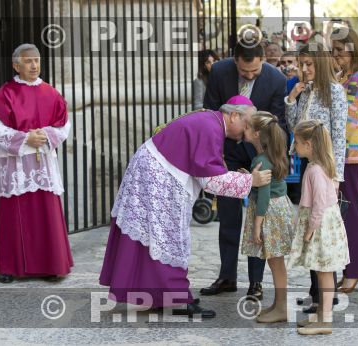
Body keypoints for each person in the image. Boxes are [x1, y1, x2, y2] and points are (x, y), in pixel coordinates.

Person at [99, 96, 272, 318]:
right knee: (168, 236)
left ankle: (159, 295)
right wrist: (251, 181)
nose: (245, 132)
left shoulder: (211, 122)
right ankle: (176, 299)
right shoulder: (211, 127)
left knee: (157, 236)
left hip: (154, 171)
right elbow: (211, 180)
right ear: (234, 115)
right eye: (246, 124)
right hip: (158, 177)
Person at [201, 39, 286, 301]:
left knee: (256, 220)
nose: (249, 76)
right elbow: (210, 115)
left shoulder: (276, 79)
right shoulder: (219, 72)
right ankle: (227, 276)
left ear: (262, 59)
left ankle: (256, 283)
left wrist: (265, 160)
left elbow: (277, 124)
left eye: (255, 71)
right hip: (226, 154)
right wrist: (217, 157)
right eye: (244, 71)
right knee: (227, 218)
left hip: (258, 156)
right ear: (234, 59)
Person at [0, 43, 73, 284]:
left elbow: (63, 125)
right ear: (16, 65)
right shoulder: (6, 94)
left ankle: (51, 265)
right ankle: (10, 267)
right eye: (28, 61)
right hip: (15, 166)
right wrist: (25, 138)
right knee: (15, 212)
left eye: (37, 60)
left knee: (46, 212)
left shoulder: (51, 93)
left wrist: (44, 137)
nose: (34, 65)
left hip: (42, 162)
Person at [285, 42, 347, 312]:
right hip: (307, 165)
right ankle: (316, 292)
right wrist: (291, 99)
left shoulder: (334, 91)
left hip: (325, 170)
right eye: (302, 64)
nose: (305, 69)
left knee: (320, 231)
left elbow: (339, 135)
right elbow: (296, 127)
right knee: (308, 231)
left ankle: (327, 296)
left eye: (309, 64)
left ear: (320, 64)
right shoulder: (306, 90)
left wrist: (337, 175)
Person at [288, 119, 350, 336]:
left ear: (309, 144)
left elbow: (320, 203)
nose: (294, 147)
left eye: (296, 142)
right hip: (325, 222)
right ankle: (322, 315)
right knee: (323, 271)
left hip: (321, 225)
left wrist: (310, 229)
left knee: (324, 272)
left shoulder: (315, 170)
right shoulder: (322, 165)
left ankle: (325, 320)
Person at [240, 111, 294, 323]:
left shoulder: (260, 161)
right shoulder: (272, 156)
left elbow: (263, 195)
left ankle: (281, 308)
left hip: (269, 213)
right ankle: (278, 304)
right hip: (279, 208)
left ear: (257, 134)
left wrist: (257, 224)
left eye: (247, 127)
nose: (244, 130)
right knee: (276, 261)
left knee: (275, 262)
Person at [332, 28, 358, 292]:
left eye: (340, 49)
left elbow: (349, 114)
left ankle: (356, 270)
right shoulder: (344, 76)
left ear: (352, 48)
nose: (336, 55)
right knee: (342, 212)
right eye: (333, 50)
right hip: (339, 153)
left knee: (352, 211)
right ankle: (350, 268)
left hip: (352, 153)